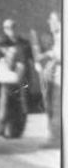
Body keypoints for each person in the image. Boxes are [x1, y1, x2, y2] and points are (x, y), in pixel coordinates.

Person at [37, 11, 61, 146]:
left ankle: (55, 139)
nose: (49, 23)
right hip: (54, 78)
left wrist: (50, 60)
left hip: (60, 79)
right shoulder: (56, 36)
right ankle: (54, 136)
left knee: (56, 108)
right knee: (51, 106)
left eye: (52, 20)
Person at [0, 44, 27, 138]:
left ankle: (13, 132)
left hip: (15, 88)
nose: (12, 56)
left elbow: (17, 78)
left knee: (15, 110)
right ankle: (2, 129)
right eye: (10, 53)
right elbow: (0, 77)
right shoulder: (1, 62)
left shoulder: (19, 65)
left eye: (14, 54)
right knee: (4, 109)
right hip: (6, 87)